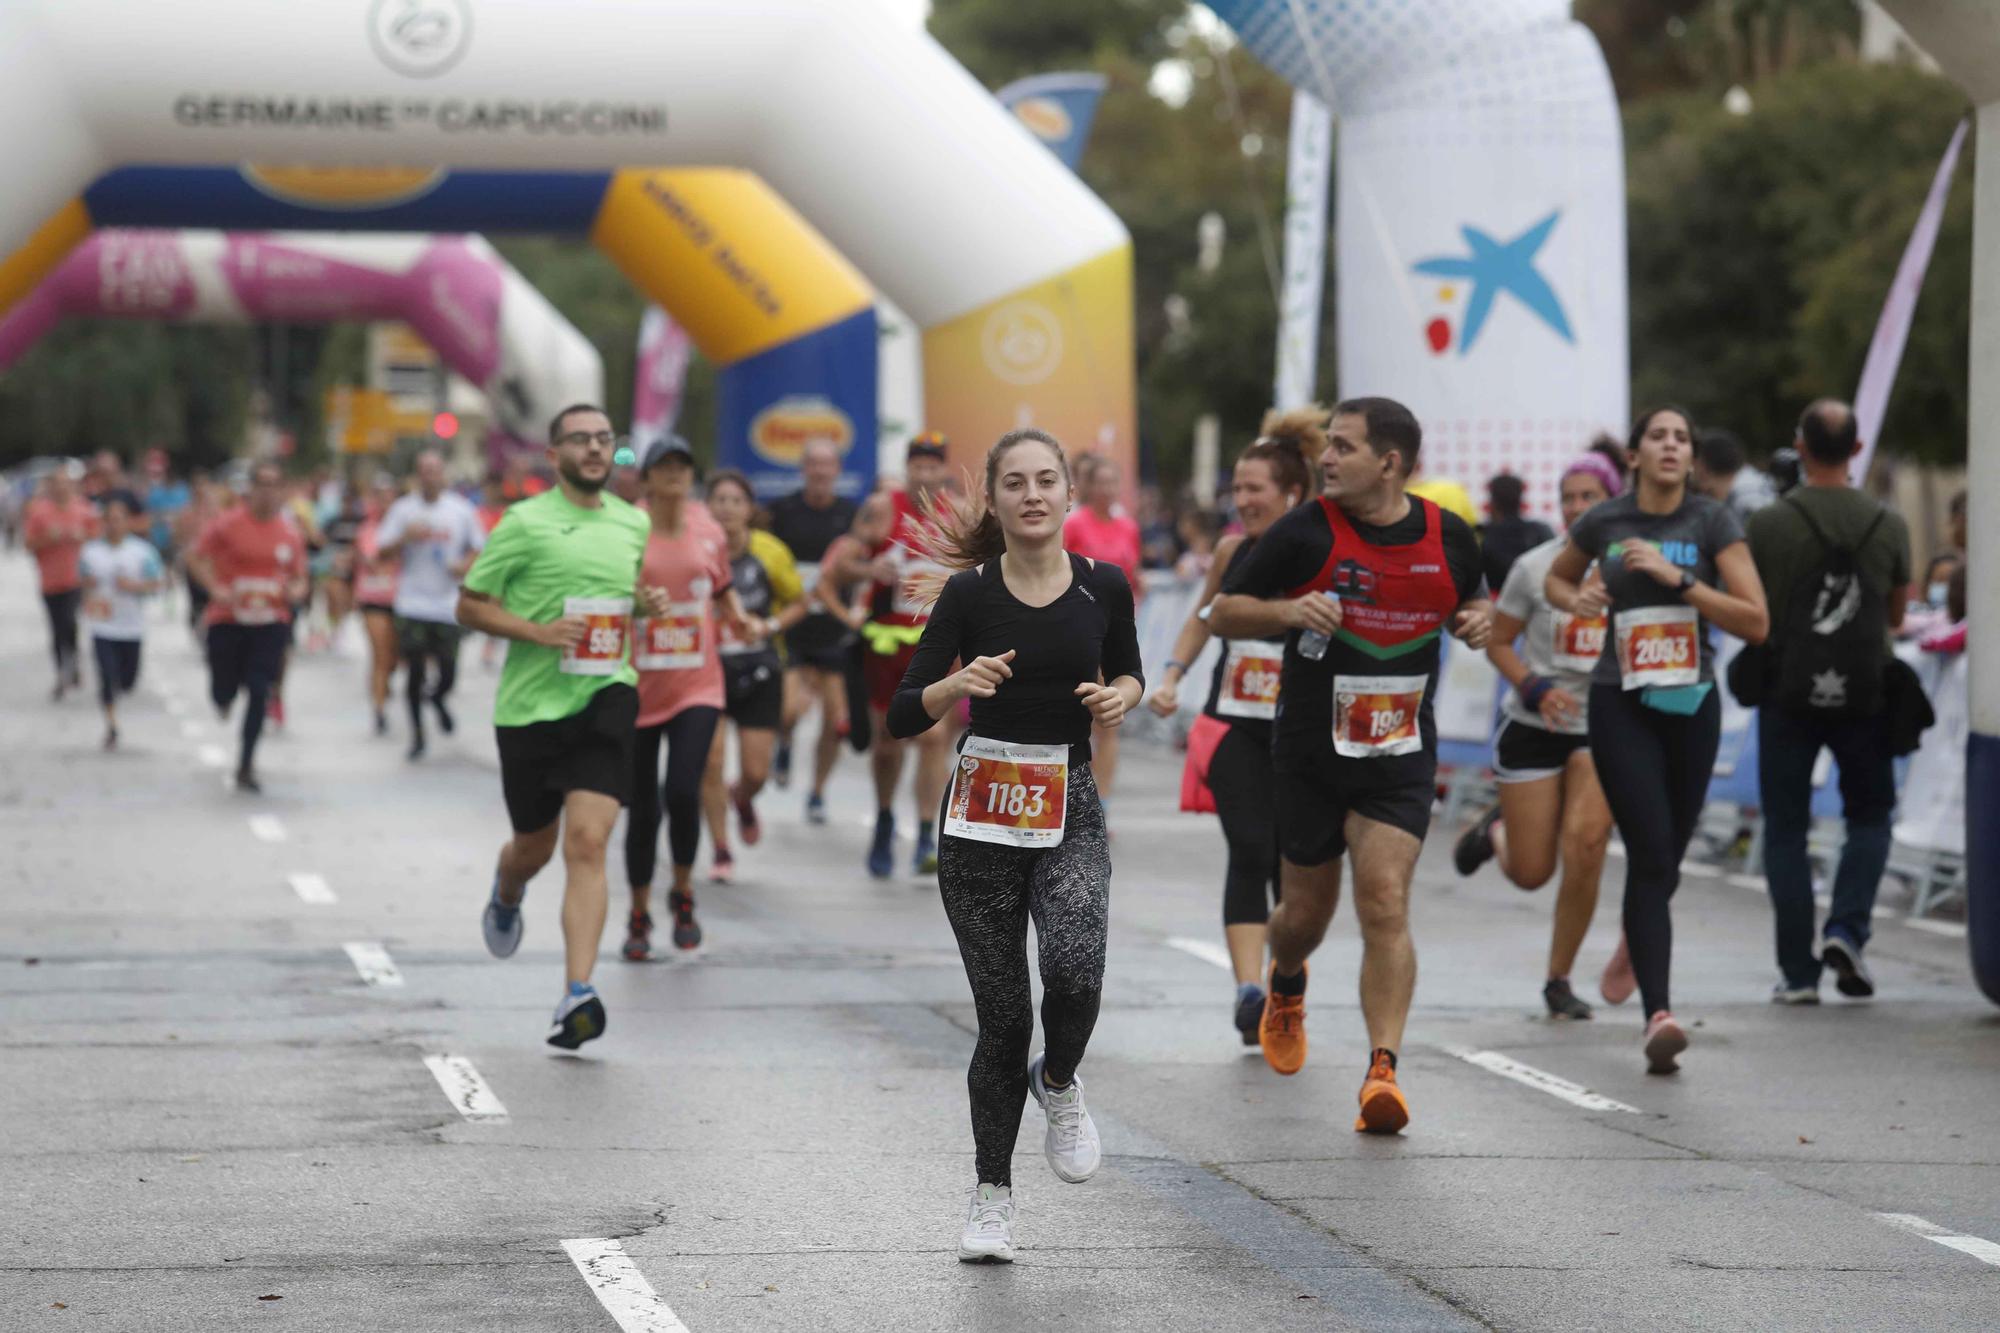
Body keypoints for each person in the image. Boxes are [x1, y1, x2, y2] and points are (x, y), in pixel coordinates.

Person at [886, 427, 1142, 1263]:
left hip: (1067, 801)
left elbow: (1130, 669)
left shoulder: (1107, 586)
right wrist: (954, 684)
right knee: (1003, 1018)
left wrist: (1120, 699)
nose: (1033, 495)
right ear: (995, 500)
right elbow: (902, 708)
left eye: (1047, 481)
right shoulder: (968, 593)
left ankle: (1059, 1080)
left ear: (1069, 494)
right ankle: (991, 1193)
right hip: (981, 817)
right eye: (1015, 483)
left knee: (1076, 969)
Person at [1209, 397, 1490, 1134]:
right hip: (1308, 753)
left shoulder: (1448, 534)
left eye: (1343, 447)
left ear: (1389, 463)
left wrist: (1478, 619)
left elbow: (1473, 602)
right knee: (1304, 916)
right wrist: (1291, 611)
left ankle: (1382, 1071)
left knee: (1385, 897)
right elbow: (1223, 611)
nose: (1326, 459)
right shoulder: (1304, 532)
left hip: (1398, 752)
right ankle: (1287, 980)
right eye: (1328, 444)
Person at [1547, 405, 1768, 1073]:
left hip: (1691, 699)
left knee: (1666, 853)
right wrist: (1574, 600)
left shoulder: (1711, 521)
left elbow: (1755, 619)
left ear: (1690, 457)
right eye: (1658, 436)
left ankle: (1636, 939)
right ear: (1637, 454)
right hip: (1622, 699)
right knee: (1648, 847)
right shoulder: (1606, 519)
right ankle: (1659, 1014)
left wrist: (1682, 581)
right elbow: (1558, 576)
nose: (1671, 446)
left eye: (1681, 438)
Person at [458, 405, 665, 1048]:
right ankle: (508, 885)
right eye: (581, 439)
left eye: (605, 439)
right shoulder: (524, 523)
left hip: (607, 694)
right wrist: (538, 632)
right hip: (529, 710)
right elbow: (469, 605)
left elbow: (617, 592)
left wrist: (642, 604)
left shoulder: (634, 522)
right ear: (554, 455)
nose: (597, 449)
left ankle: (578, 992)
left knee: (587, 843)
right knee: (534, 847)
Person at [1147, 409, 1324, 1043]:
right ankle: (1249, 992)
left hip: (1302, 734)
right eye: (1238, 488)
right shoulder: (1231, 550)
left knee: (1292, 864)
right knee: (1250, 849)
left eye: (1255, 489)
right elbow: (1202, 616)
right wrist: (1171, 674)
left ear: (1293, 494)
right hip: (1234, 725)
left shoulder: (1318, 550)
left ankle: (1285, 984)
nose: (1242, 500)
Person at [1748, 400, 1910, 1003]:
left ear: (1802, 445)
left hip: (1786, 689)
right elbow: (1897, 612)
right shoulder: (1888, 523)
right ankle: (1846, 928)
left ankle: (1797, 974)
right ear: (1858, 450)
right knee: (1869, 818)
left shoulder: (1768, 523)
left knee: (1786, 829)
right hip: (1868, 692)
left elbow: (1753, 607)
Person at [1453, 453, 1622, 1019]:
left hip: (1599, 730)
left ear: (1613, 501)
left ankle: (1559, 978)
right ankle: (1495, 833)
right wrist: (1532, 688)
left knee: (1588, 846)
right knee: (1532, 873)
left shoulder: (1632, 566)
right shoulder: (1534, 568)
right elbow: (1499, 642)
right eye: (1568, 497)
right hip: (1533, 725)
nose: (1576, 507)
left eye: (1589, 497)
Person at [618, 436, 752, 959]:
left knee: (682, 789)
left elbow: (718, 587)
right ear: (647, 478)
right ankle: (637, 910)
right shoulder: (625, 528)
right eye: (664, 466)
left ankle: (683, 892)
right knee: (643, 808)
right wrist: (634, 601)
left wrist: (737, 615)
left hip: (698, 682)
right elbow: (606, 589)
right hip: (638, 685)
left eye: (682, 465)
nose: (674, 474)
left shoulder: (708, 529)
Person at [843, 432, 960, 878]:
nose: (926, 474)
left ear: (943, 472)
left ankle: (927, 833)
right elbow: (843, 562)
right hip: (887, 642)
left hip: (937, 642)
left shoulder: (960, 514)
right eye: (918, 466)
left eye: (934, 466)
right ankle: (885, 817)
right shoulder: (881, 507)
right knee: (889, 742)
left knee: (933, 738)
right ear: (908, 468)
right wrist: (872, 568)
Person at [700, 470, 808, 877]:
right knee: (710, 761)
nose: (727, 508)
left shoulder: (770, 551)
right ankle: (721, 849)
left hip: (760, 669)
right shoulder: (698, 548)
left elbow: (799, 602)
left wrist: (769, 626)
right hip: (706, 671)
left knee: (756, 772)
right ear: (708, 506)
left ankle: (743, 799)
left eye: (735, 501)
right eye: (719, 500)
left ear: (749, 509)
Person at [188, 461, 310, 793]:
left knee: (260, 689)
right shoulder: (227, 525)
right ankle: (223, 697)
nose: (268, 492)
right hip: (228, 619)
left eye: (275, 485)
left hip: (271, 621)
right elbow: (196, 557)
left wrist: (295, 592)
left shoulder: (290, 533)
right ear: (251, 489)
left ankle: (246, 762)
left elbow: (300, 579)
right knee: (223, 688)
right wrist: (214, 587)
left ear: (283, 491)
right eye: (262, 484)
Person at [765, 438, 859, 818]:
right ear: (804, 469)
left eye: (828, 464)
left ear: (837, 470)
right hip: (794, 628)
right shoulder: (783, 512)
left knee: (837, 722)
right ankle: (784, 741)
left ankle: (818, 791)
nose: (820, 471)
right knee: (789, 710)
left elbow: (867, 558)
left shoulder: (851, 515)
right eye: (814, 464)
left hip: (835, 629)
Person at [375, 452, 486, 759]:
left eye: (435, 471)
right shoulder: (403, 510)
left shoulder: (460, 510)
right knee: (414, 672)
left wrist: (464, 567)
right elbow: (381, 553)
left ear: (443, 475)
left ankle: (438, 698)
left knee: (449, 670)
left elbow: (480, 549)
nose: (430, 477)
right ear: (416, 475)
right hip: (412, 603)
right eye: (424, 471)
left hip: (447, 604)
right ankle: (418, 735)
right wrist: (404, 539)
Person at [1063, 454, 1142, 809]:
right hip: (1080, 631)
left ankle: (1101, 800)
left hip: (1118, 631)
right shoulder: (1075, 524)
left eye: (1113, 482)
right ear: (1088, 486)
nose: (1107, 489)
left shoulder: (1129, 528)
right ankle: (1071, 794)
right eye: (1101, 482)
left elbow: (1133, 575)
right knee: (1079, 716)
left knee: (1110, 718)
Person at [78, 491, 164, 749]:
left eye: (119, 519)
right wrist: (87, 584)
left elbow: (157, 584)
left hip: (131, 626)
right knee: (106, 676)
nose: (114, 524)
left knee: (127, 681)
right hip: (102, 625)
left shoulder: (142, 552)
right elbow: (80, 583)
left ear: (128, 522)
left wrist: (134, 586)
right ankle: (111, 724)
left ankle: (119, 695)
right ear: (103, 522)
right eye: (109, 519)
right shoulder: (90, 552)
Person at [22, 464, 97, 700]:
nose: (62, 488)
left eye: (66, 483)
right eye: (57, 483)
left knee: (70, 621)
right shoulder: (40, 512)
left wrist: (81, 536)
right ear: (51, 486)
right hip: (50, 580)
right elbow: (28, 544)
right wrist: (47, 538)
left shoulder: (84, 509)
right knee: (56, 629)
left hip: (76, 579)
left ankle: (72, 660)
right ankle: (61, 672)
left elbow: (98, 538)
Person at [353, 476, 403, 734]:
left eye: (389, 499)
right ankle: (379, 708)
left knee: (394, 657)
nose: (385, 504)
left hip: (401, 600)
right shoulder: (368, 529)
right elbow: (372, 558)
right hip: (373, 599)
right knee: (380, 654)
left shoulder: (404, 528)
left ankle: (384, 684)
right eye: (380, 499)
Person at [1478, 472, 1553, 595]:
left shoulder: (1481, 535)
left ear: (1492, 502)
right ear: (1520, 500)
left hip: (1492, 605)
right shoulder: (1540, 531)